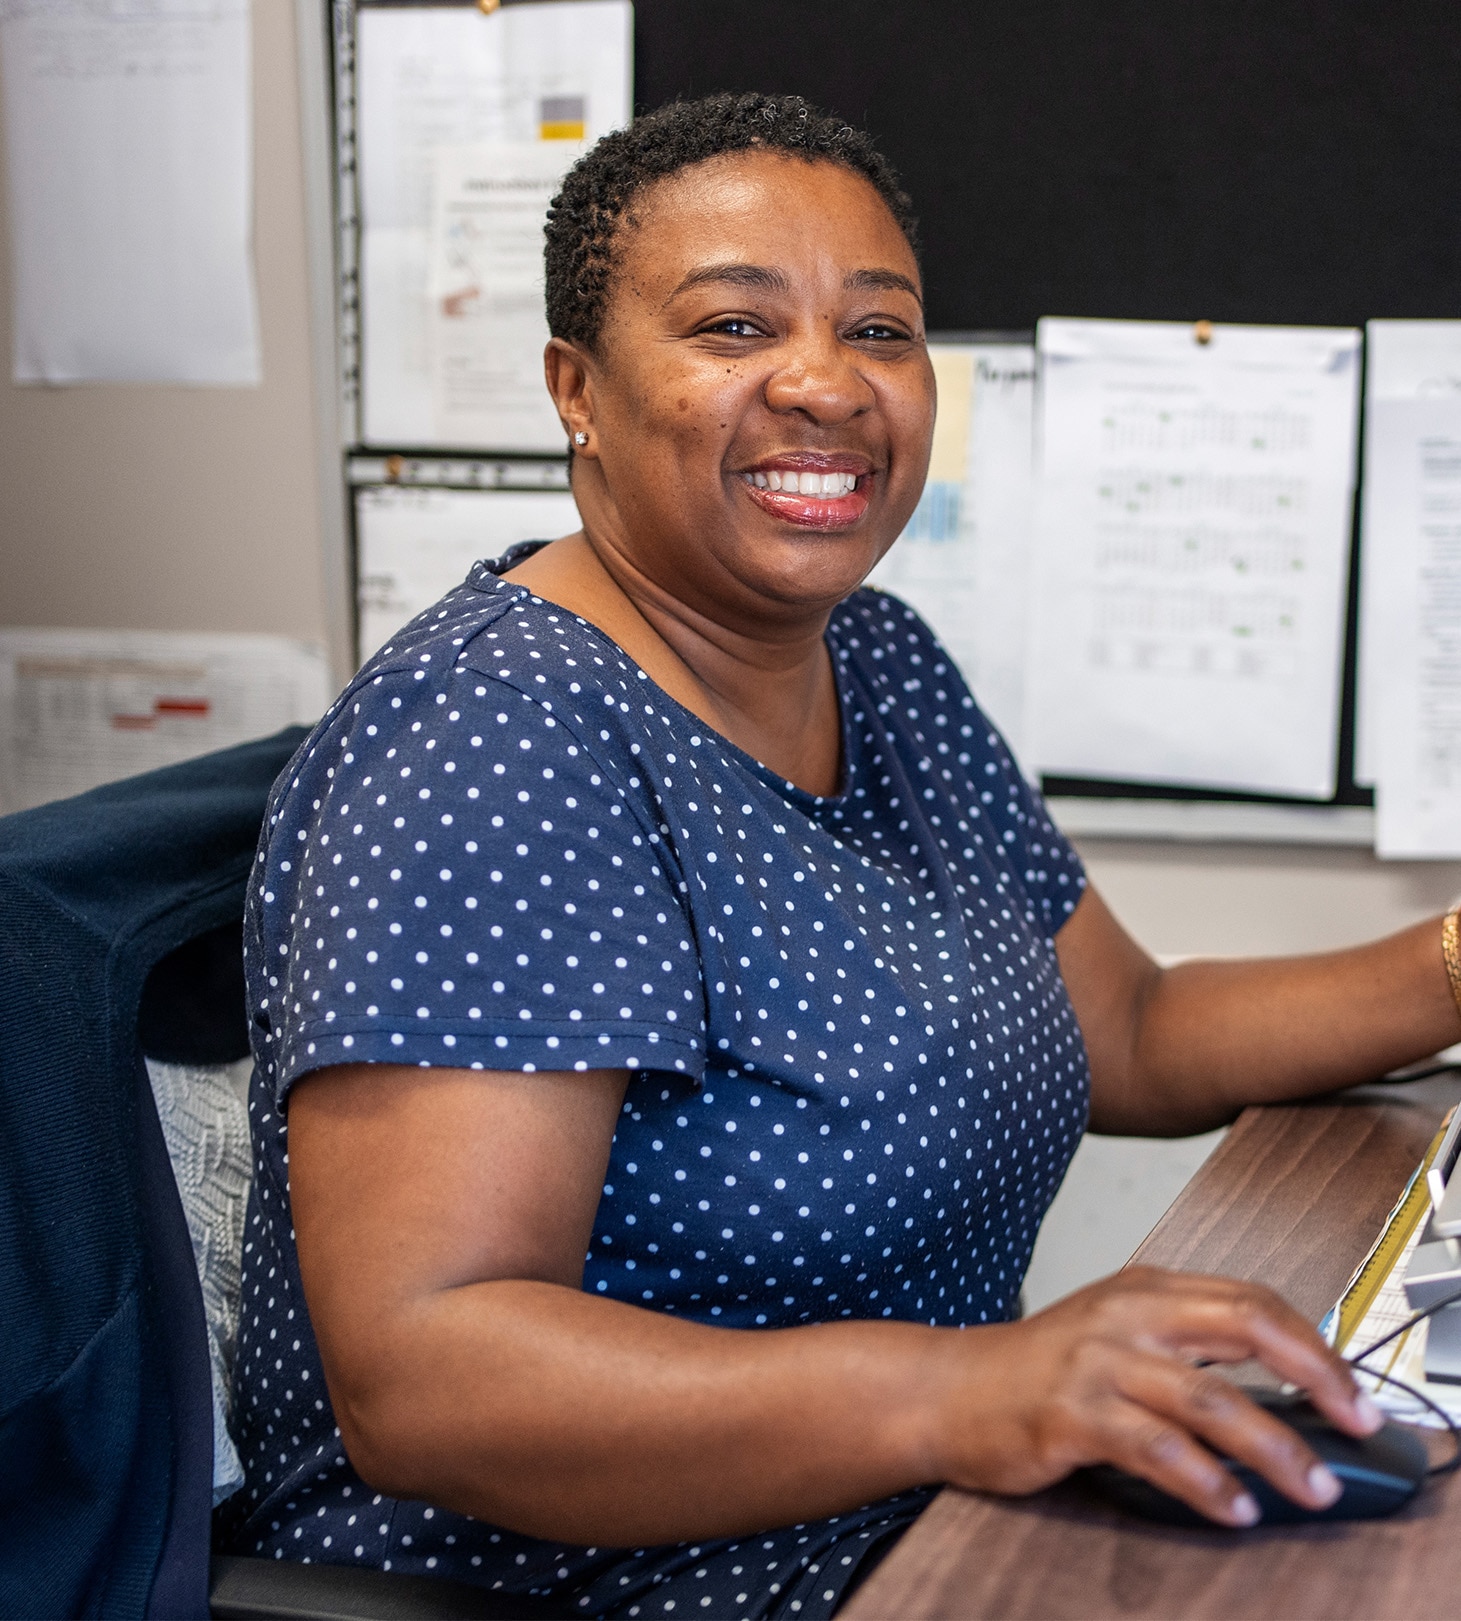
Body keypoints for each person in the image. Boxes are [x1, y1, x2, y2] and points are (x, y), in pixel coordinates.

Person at [221, 93, 1461, 1618]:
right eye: (734, 327)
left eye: (879, 331)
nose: (825, 384)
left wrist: (1446, 961)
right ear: (578, 389)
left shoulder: (872, 659)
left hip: (912, 1526)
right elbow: (433, 1372)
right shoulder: (498, 738)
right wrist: (973, 1389)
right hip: (604, 1588)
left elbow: (1128, 1028)